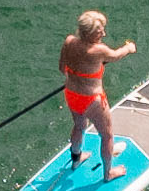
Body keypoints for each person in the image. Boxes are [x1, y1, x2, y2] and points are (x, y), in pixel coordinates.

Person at [58, 11, 139, 177]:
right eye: (99, 32)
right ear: (87, 33)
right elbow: (116, 55)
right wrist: (129, 48)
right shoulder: (98, 50)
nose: (104, 34)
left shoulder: (69, 42)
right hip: (92, 100)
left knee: (79, 126)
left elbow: (62, 68)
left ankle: (76, 159)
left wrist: (79, 73)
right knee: (107, 135)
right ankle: (108, 173)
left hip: (71, 94)